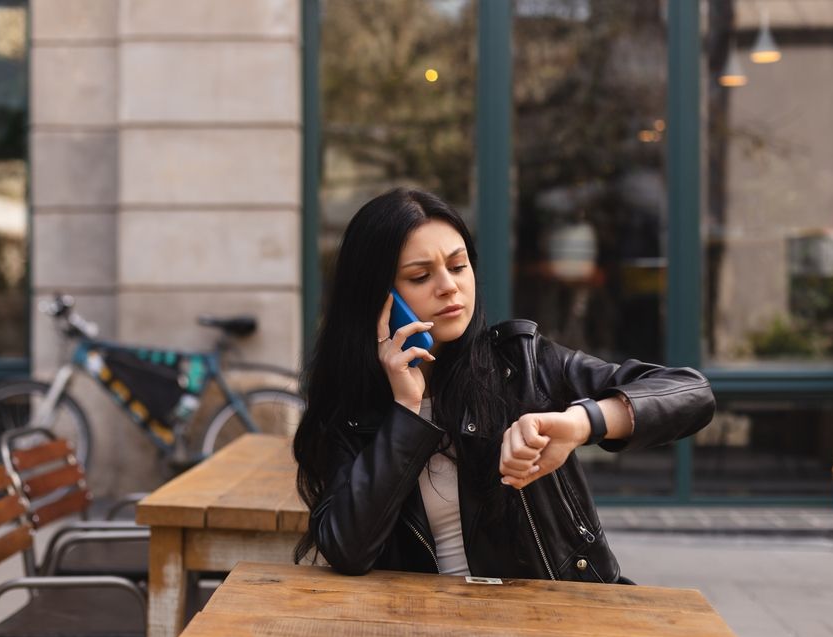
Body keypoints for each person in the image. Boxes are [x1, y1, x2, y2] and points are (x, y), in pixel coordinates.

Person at [293, 188, 715, 583]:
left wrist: (583, 423)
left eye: (458, 267)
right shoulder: (350, 407)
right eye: (420, 277)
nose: (449, 286)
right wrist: (407, 408)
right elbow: (348, 550)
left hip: (553, 623)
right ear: (377, 299)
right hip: (419, 630)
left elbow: (691, 393)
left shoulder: (523, 363)